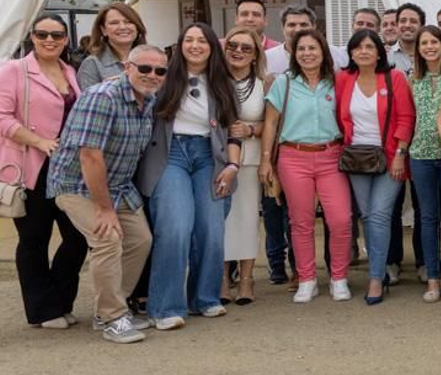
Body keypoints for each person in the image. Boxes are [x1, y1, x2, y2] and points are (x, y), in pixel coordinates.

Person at [47, 43, 165, 343]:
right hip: (77, 185)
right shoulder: (103, 97)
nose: (152, 75)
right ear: (127, 67)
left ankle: (109, 309)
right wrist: (104, 208)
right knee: (106, 238)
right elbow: (90, 157)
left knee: (141, 239)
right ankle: (113, 318)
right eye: (144, 68)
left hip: (118, 186)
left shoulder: (147, 100)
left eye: (160, 70)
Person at [134, 23, 243, 332]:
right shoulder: (163, 77)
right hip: (171, 155)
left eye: (202, 40)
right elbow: (135, 88)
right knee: (176, 227)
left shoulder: (223, 84)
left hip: (211, 157)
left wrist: (233, 166)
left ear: (212, 47)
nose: (195, 45)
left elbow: (234, 132)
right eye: (189, 40)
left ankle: (204, 298)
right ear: (180, 45)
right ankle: (164, 306)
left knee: (211, 228)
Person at [0, 13, 87, 329]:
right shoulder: (14, 71)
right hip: (32, 166)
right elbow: (2, 117)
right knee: (35, 238)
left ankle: (61, 300)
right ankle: (43, 310)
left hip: (68, 168)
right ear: (32, 37)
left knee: (78, 237)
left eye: (57, 35)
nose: (49, 40)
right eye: (42, 34)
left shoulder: (70, 71)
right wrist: (40, 140)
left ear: (66, 39)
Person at [261, 29, 354, 304]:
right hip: (293, 157)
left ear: (323, 51)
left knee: (340, 219)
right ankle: (307, 279)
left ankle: (339, 277)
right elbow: (270, 123)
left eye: (313, 48)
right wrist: (266, 159)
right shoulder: (284, 83)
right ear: (293, 53)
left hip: (331, 155)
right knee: (300, 222)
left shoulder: (336, 82)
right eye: (301, 49)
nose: (307, 54)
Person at [333, 28, 414, 306]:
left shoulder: (394, 78)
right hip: (356, 157)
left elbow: (405, 118)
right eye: (358, 47)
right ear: (351, 53)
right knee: (367, 216)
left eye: (369, 47)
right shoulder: (344, 78)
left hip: (391, 157)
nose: (364, 52)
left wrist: (401, 153)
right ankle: (378, 270)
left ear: (379, 51)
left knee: (379, 215)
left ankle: (376, 277)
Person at [220, 27, 269, 306]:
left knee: (248, 220)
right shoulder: (212, 81)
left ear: (255, 55)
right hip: (217, 161)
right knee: (221, 222)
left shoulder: (265, 83)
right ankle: (222, 277)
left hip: (250, 161)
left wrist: (250, 129)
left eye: (246, 48)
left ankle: (248, 279)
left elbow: (273, 124)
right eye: (233, 46)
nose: (238, 51)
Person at [407, 26, 441, 302]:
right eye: (424, 43)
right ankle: (433, 278)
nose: (429, 47)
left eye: (433, 42)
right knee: (427, 218)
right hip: (420, 155)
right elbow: (407, 116)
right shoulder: (411, 78)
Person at [76, 1, 146, 88]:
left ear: (137, 27)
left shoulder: (152, 59)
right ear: (103, 30)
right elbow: (88, 100)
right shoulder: (92, 64)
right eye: (114, 23)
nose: (122, 27)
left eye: (128, 22)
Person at [389, 2, 425, 73]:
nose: (407, 25)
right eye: (403, 21)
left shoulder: (431, 54)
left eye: (413, 21)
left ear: (422, 27)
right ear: (396, 25)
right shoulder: (386, 55)